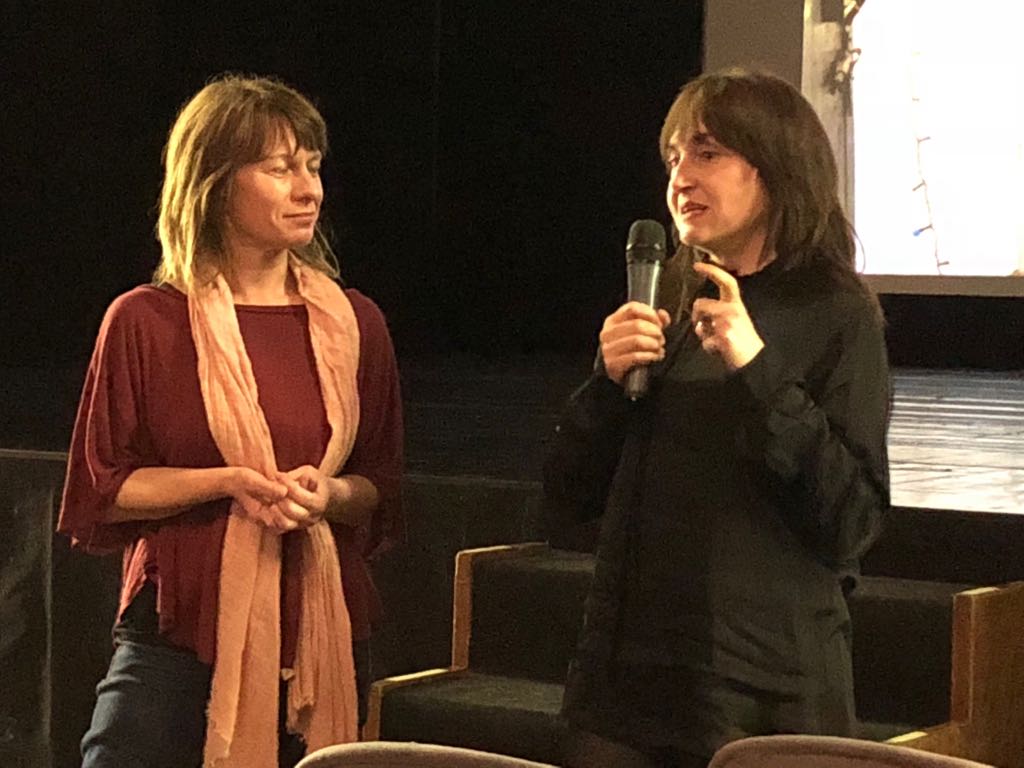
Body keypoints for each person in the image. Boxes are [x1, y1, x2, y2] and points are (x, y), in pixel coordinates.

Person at [544, 69, 891, 767]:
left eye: (707, 153)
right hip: (627, 686)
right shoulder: (665, 300)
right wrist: (605, 385)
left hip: (761, 690)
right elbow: (566, 502)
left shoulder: (836, 313)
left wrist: (754, 367)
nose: (681, 178)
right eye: (674, 157)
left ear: (776, 165)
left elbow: (850, 520)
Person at [57, 74, 403, 768]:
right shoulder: (146, 321)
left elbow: (378, 486)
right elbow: (105, 489)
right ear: (214, 184)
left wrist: (329, 494)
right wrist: (227, 481)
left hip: (319, 631)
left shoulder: (355, 322)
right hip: (178, 634)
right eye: (280, 169)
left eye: (312, 167)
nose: (309, 190)